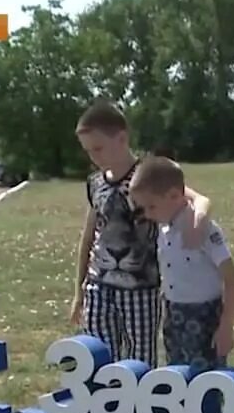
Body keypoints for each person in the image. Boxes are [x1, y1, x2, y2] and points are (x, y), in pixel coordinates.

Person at [70, 99, 214, 383]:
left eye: (97, 148)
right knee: (98, 358)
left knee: (140, 362)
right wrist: (79, 290)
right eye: (88, 151)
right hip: (99, 286)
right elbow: (89, 236)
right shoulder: (95, 183)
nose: (93, 157)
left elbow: (199, 199)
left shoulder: (148, 176)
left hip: (141, 288)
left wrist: (198, 221)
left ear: (121, 138)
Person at [128, 156, 234, 375]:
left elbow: (232, 278)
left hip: (204, 317)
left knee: (205, 380)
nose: (147, 215)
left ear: (174, 196)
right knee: (177, 375)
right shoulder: (165, 223)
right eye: (143, 208)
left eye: (151, 207)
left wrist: (226, 326)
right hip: (173, 311)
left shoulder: (203, 229)